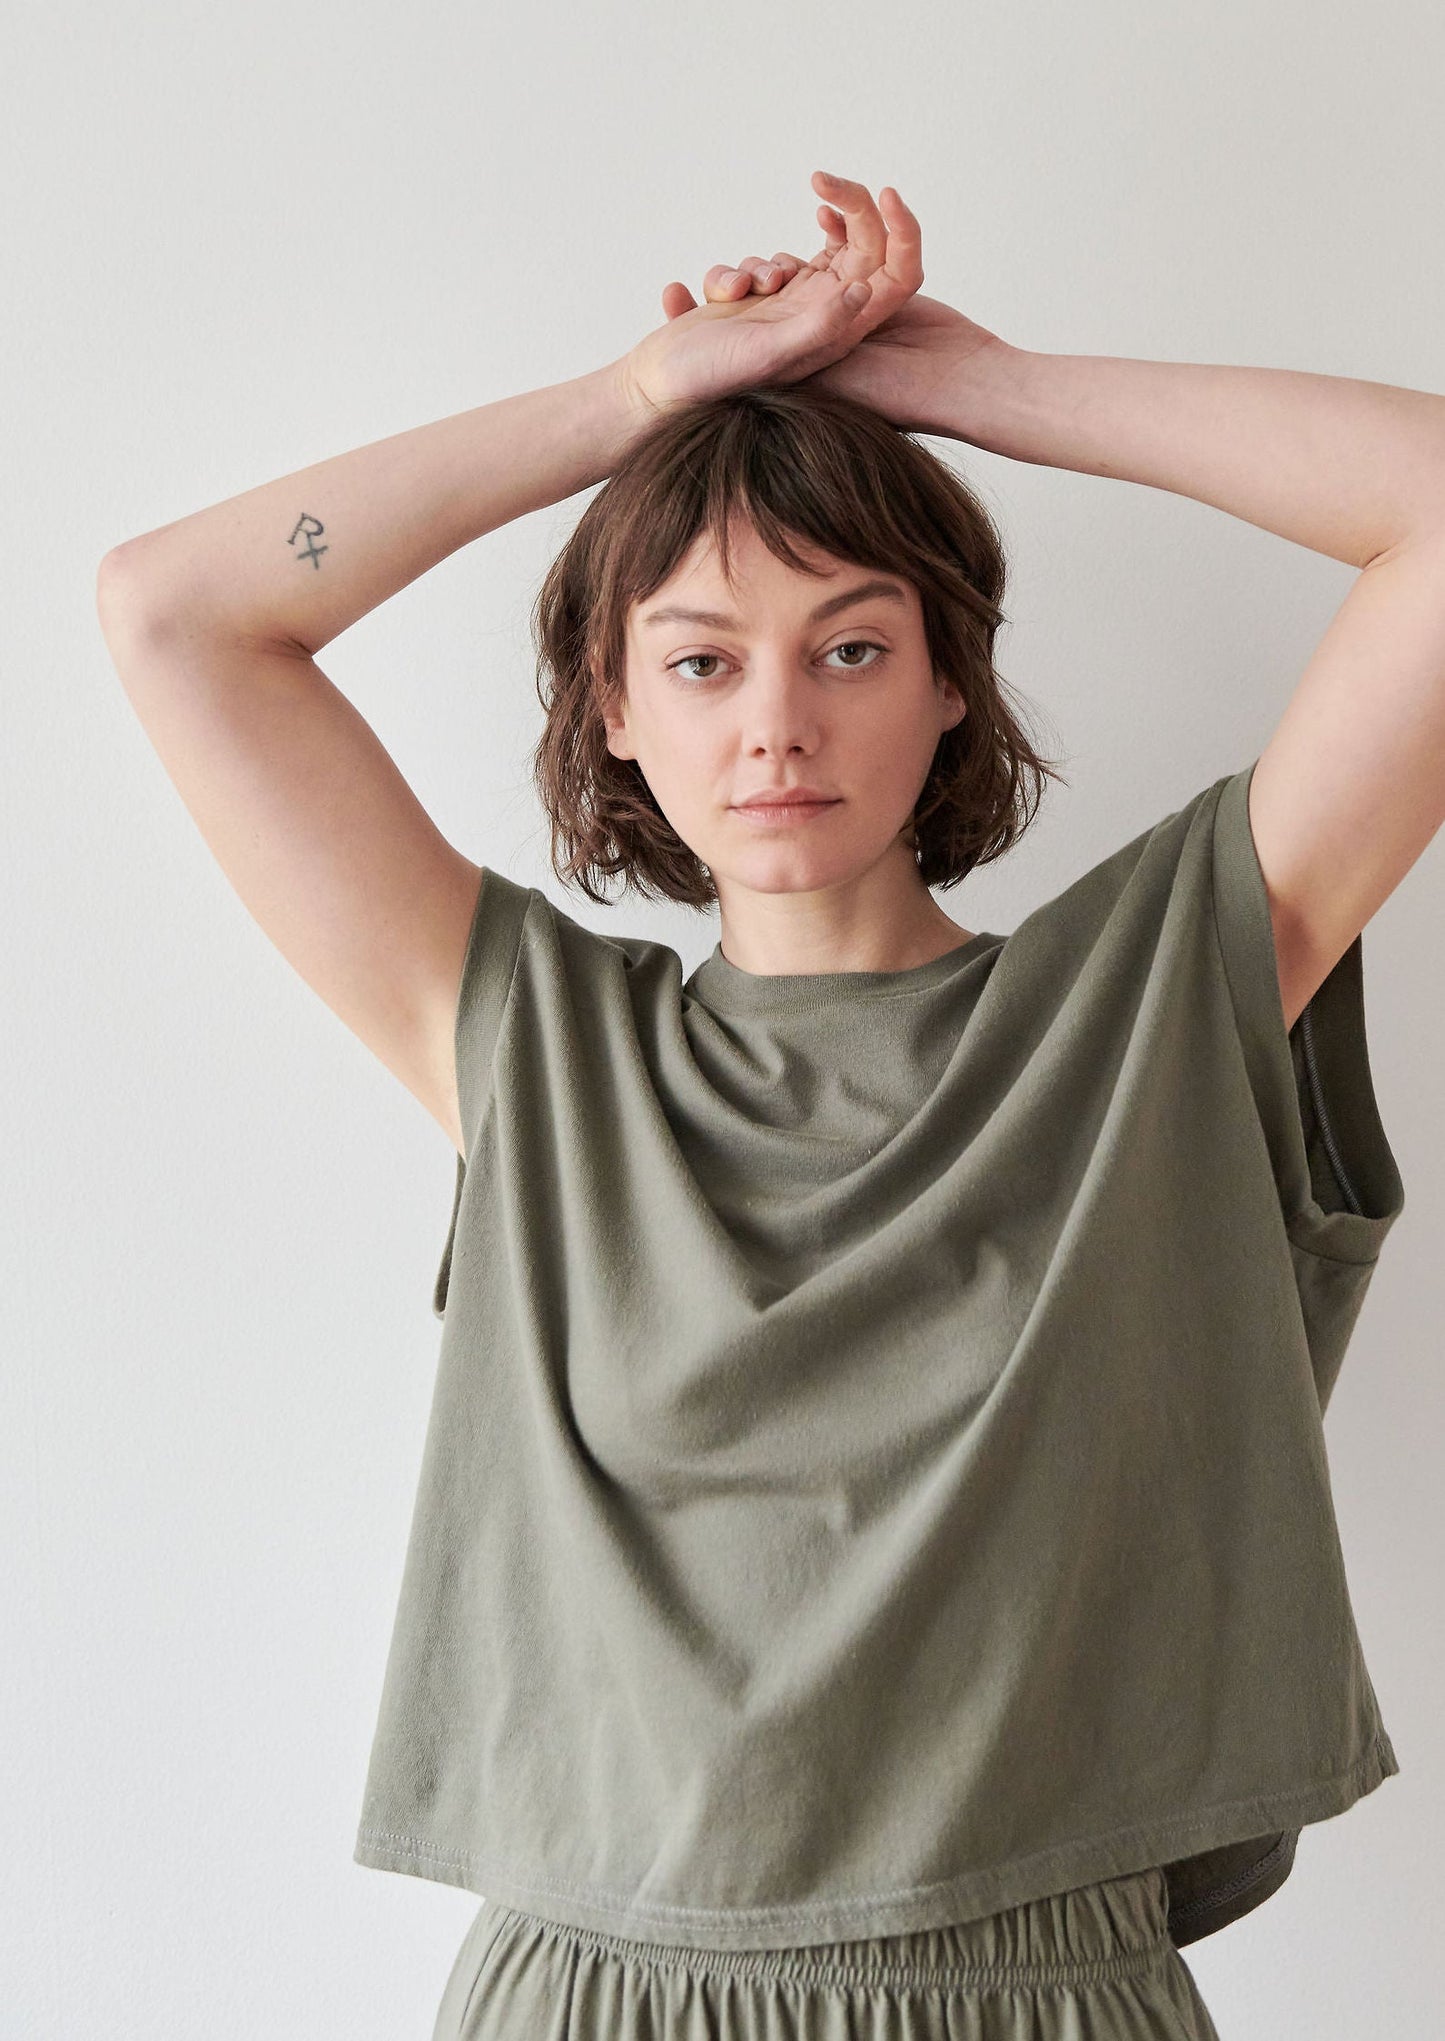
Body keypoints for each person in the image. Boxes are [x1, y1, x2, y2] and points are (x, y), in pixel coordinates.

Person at [95, 171, 1431, 2039]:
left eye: (852, 646)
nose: (775, 724)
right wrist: (633, 402)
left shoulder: (1150, 1003)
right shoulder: (528, 1040)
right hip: (595, 1991)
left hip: (1031, 1992)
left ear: (951, 679)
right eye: (702, 659)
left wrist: (957, 390)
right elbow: (171, 610)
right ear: (614, 708)